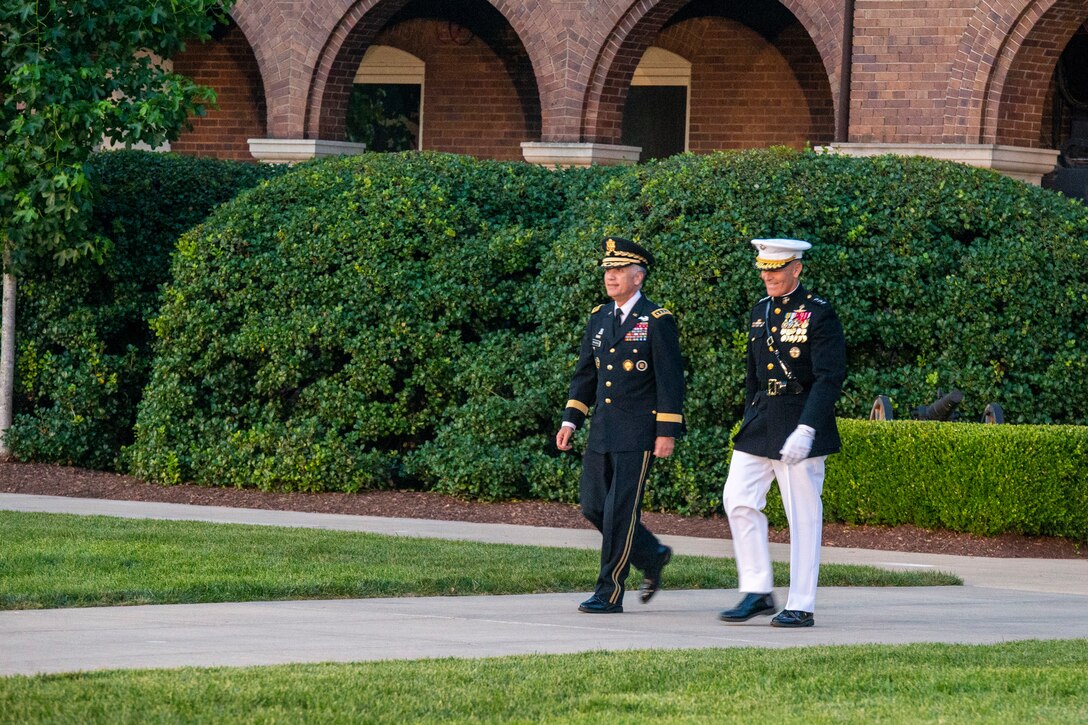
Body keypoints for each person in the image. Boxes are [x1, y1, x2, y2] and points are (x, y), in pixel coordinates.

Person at [719, 238, 846, 628]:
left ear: (797, 269)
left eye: (776, 269)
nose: (768, 276)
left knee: (802, 516)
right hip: (762, 419)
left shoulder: (818, 314)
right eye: (763, 269)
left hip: (800, 419)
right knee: (737, 498)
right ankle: (757, 589)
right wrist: (747, 418)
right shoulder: (760, 311)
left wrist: (807, 428)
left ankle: (801, 603)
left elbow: (830, 376)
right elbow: (753, 377)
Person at [555, 237, 685, 614]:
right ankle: (652, 554)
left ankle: (609, 592)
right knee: (594, 506)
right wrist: (571, 420)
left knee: (619, 513)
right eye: (608, 271)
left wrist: (667, 431)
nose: (610, 278)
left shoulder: (657, 320)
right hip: (602, 431)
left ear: (638, 277)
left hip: (638, 433)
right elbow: (585, 376)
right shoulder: (599, 316)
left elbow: (670, 380)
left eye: (618, 272)